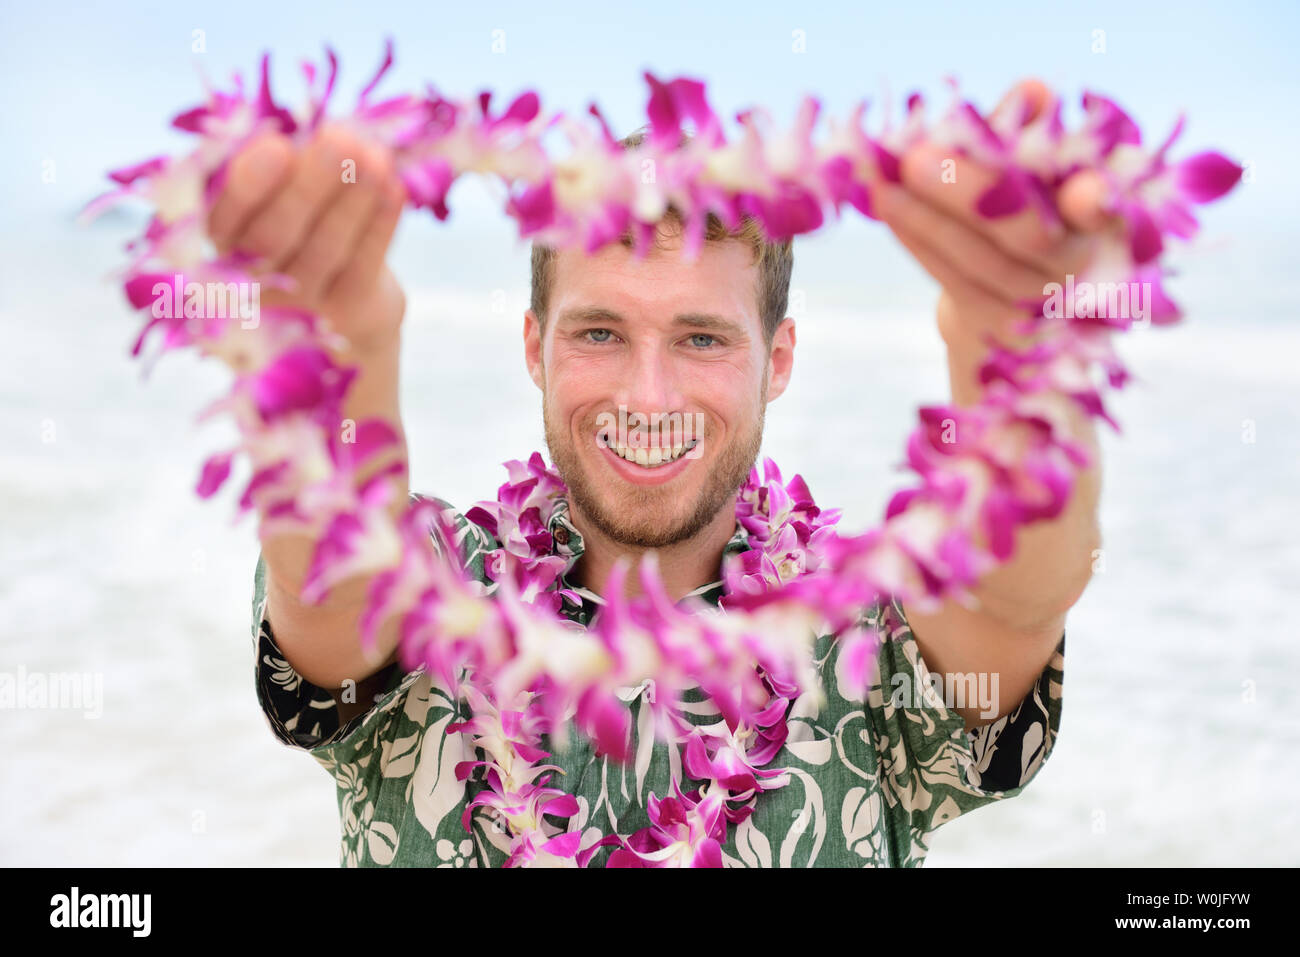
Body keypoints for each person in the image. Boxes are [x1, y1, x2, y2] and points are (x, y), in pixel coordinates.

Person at [228, 79, 1100, 867]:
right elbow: (330, 575)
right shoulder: (433, 589)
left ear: (778, 359)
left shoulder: (861, 627)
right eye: (599, 333)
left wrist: (1015, 359)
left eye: (702, 338)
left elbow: (1014, 599)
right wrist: (340, 345)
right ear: (536, 346)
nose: (649, 396)